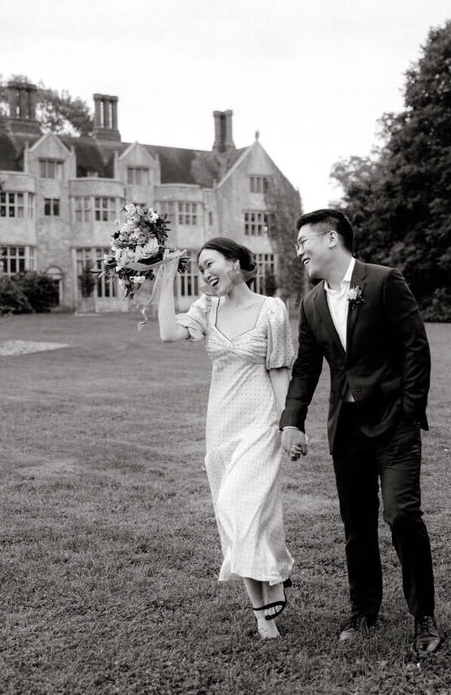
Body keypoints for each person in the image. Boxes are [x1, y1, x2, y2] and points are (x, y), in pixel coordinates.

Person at [278, 208, 442, 656]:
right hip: (346, 431)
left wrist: (409, 410)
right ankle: (363, 610)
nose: (300, 253)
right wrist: (292, 420)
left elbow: (415, 347)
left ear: (331, 239)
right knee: (356, 526)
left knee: (402, 515)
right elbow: (307, 368)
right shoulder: (312, 303)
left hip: (394, 426)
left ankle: (423, 616)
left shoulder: (384, 281)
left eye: (303, 243)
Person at [155, 237, 296, 640]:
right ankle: (270, 586)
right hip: (221, 427)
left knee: (241, 506)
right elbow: (167, 333)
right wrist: (165, 278)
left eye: (210, 264)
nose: (204, 273)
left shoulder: (272, 309)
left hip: (260, 423)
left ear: (234, 263)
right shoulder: (206, 309)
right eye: (199, 268)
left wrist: (288, 425)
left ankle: (264, 612)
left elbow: (280, 369)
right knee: (237, 515)